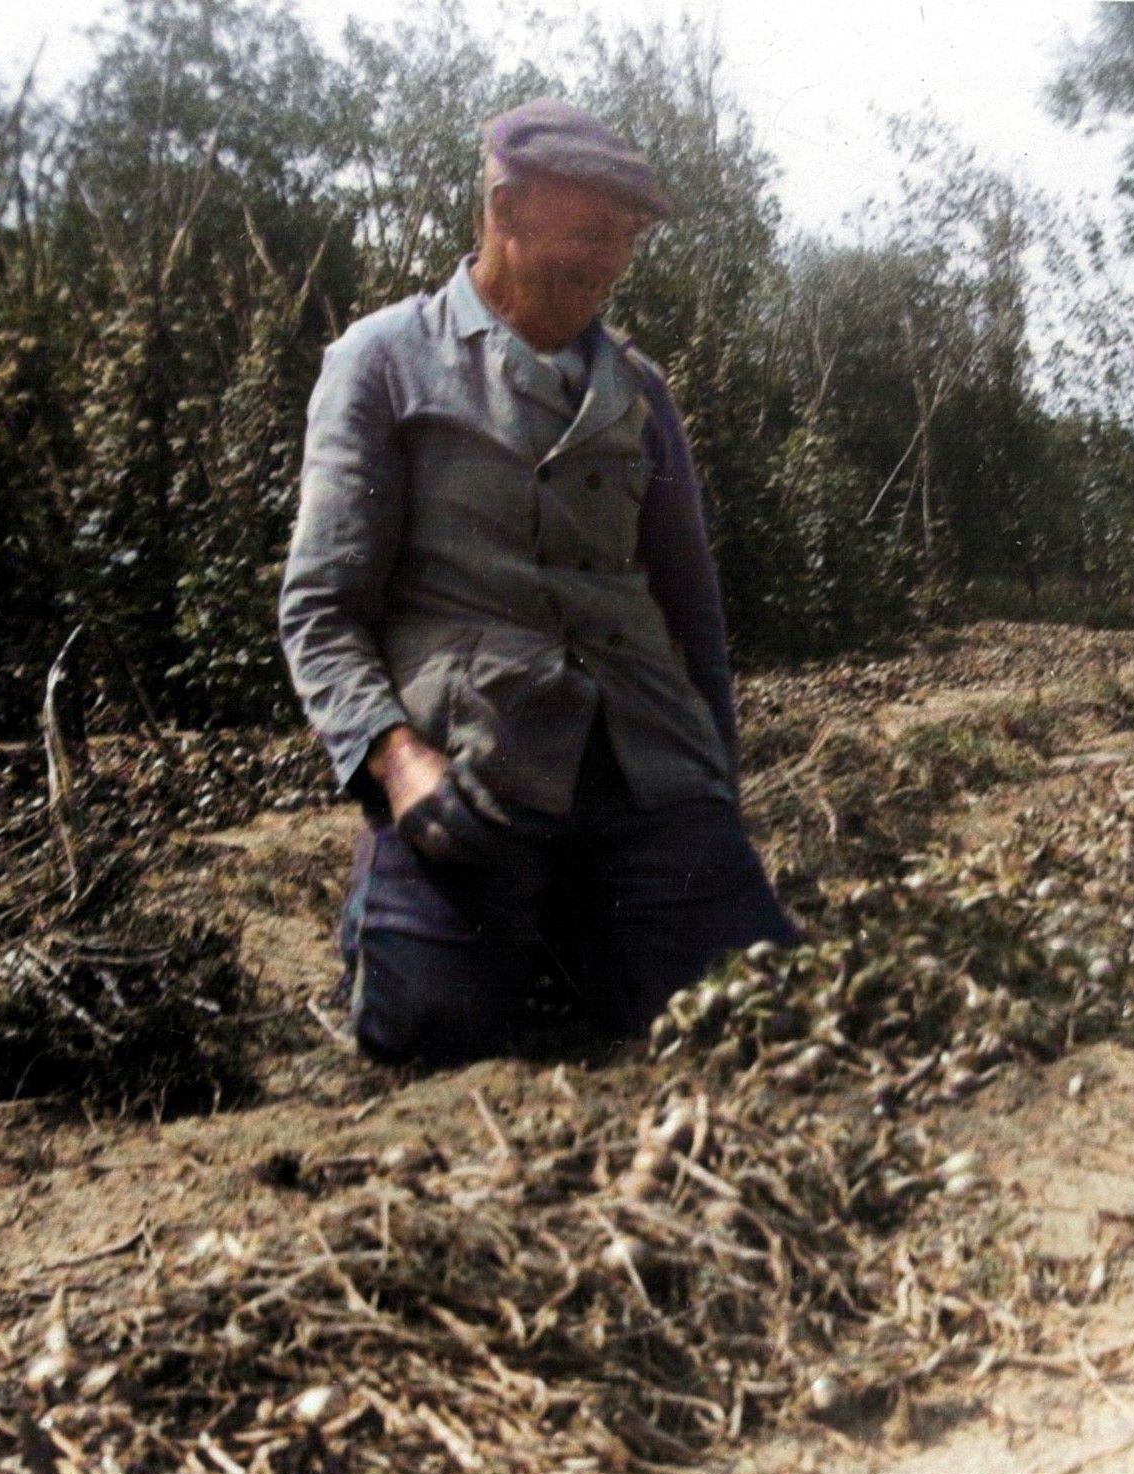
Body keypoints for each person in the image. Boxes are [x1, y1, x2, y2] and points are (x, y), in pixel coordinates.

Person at [278, 99, 796, 1069]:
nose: (609, 261)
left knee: (754, 1007)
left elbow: (696, 616)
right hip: (476, 761)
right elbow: (320, 607)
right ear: (505, 210)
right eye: (590, 231)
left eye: (626, 239)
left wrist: (713, 800)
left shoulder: (641, 392)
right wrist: (396, 764)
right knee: (429, 1030)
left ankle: (584, 915)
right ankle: (405, 900)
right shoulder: (382, 362)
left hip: (643, 759)